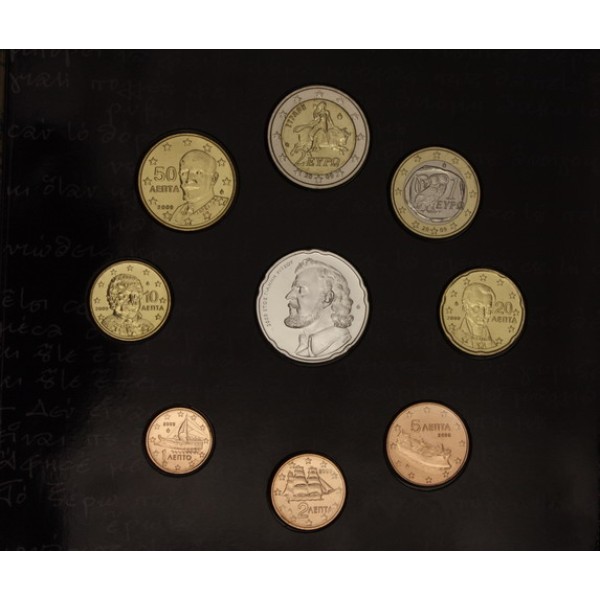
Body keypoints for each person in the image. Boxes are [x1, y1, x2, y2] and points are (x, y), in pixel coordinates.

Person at [284, 258, 354, 358]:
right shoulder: (304, 342)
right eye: (293, 289)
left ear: (327, 298)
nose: (288, 296)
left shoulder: (341, 342)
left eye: (300, 289)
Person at [171, 150, 225, 226]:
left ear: (213, 178)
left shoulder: (222, 207)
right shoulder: (178, 212)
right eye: (183, 173)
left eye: (198, 173)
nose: (188, 179)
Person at [457, 283, 496, 349]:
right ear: (466, 306)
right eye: (477, 307)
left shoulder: (493, 345)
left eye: (488, 308)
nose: (482, 314)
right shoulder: (456, 336)